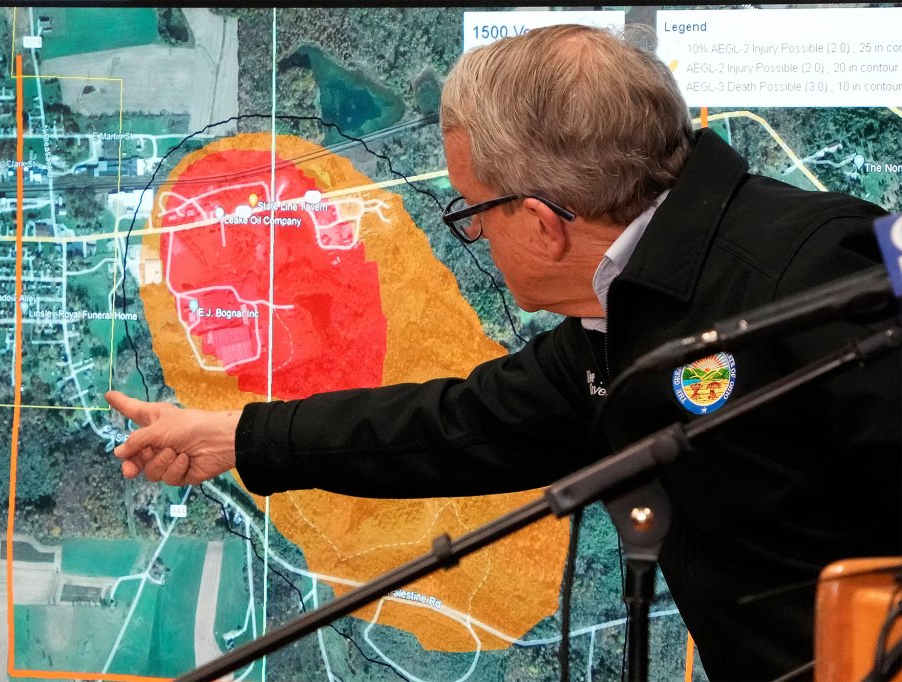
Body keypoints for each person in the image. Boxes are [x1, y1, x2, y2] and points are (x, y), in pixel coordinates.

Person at [106, 24, 901, 681]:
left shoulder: (813, 275)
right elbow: (459, 427)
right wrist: (237, 437)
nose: (474, 232)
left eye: (473, 211)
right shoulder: (630, 306)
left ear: (542, 220)